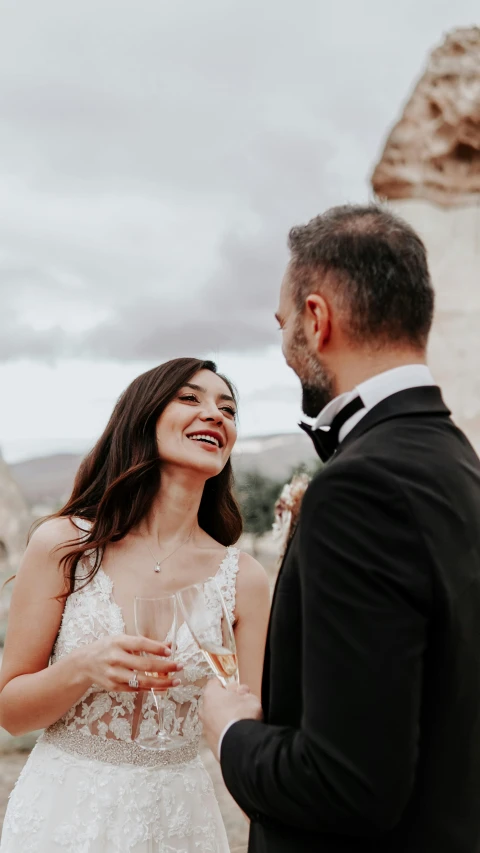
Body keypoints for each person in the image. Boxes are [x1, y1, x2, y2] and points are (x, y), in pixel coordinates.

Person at [201, 204, 480, 853]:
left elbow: (345, 781)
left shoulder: (360, 487)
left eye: (283, 322)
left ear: (318, 320)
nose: (284, 344)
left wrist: (230, 731)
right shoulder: (456, 460)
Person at [0, 357, 270, 853]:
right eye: (190, 399)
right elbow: (11, 711)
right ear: (142, 419)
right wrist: (82, 667)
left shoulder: (245, 580)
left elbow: (256, 730)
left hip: (181, 822)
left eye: (228, 409)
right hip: (65, 817)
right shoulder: (65, 546)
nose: (215, 414)